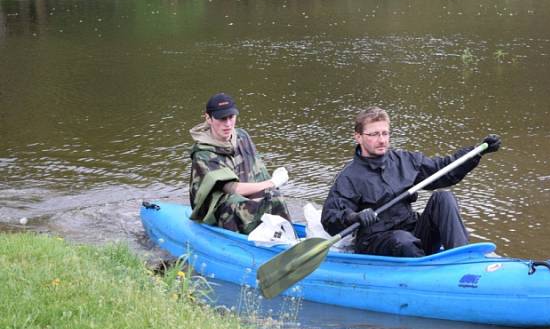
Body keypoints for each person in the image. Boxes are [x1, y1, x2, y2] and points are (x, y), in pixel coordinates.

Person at [321, 106, 501, 257]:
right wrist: (355, 216)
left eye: (385, 133)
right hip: (376, 240)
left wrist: (476, 153)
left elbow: (444, 170)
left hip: (412, 231)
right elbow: (330, 217)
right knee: (403, 241)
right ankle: (425, 277)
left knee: (443, 198)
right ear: (358, 137)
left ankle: (460, 259)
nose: (382, 140)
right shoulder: (349, 176)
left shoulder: (404, 160)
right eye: (374, 134)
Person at [189, 92, 291, 234]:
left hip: (242, 195)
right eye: (222, 118)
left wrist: (270, 190)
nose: (228, 124)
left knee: (275, 197)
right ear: (209, 118)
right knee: (236, 202)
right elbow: (231, 188)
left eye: (231, 117)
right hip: (217, 207)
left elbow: (258, 172)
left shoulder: (242, 136)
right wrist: (272, 182)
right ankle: (243, 242)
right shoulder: (203, 153)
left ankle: (286, 237)